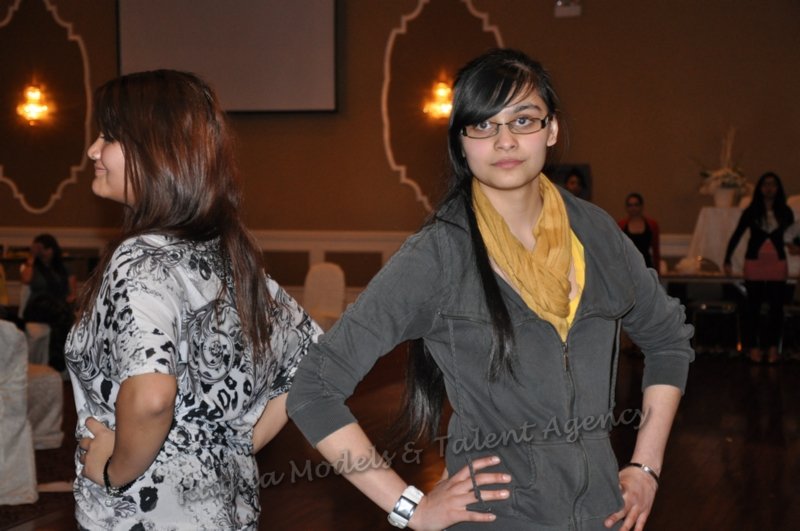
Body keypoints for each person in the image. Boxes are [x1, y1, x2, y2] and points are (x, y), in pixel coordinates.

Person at [287, 49, 694, 530]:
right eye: (483, 124)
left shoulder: (597, 233)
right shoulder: (439, 253)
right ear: (461, 142)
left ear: (551, 129)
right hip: (498, 518)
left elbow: (668, 340)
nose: (505, 141)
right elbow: (313, 389)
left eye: (523, 120)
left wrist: (646, 466)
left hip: (601, 516)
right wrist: (411, 508)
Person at [66, 70, 320, 529]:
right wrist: (232, 446)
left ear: (156, 150)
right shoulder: (226, 253)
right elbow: (309, 359)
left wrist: (114, 470)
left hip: (142, 516)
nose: (93, 150)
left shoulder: (140, 259)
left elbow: (152, 397)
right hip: (224, 512)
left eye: (109, 136)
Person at [724, 172, 794, 364]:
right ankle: (753, 348)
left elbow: (792, 235)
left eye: (773, 184)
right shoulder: (751, 211)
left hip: (777, 263)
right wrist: (727, 259)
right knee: (752, 307)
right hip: (755, 263)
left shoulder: (785, 211)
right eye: (765, 184)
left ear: (778, 188)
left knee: (776, 308)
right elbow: (737, 234)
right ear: (760, 188)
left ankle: (772, 348)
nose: (769, 188)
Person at [20, 233, 77, 371]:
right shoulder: (32, 267)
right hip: (38, 306)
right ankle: (58, 361)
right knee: (64, 315)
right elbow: (26, 279)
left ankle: (57, 359)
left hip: (58, 307)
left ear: (53, 249)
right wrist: (32, 256)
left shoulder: (64, 268)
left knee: (62, 317)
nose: (43, 252)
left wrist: (71, 299)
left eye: (46, 249)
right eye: (40, 249)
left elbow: (73, 293)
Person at [617, 193, 661, 271]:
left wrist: (657, 272)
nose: (633, 208)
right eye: (630, 205)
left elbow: (656, 251)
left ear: (641, 206)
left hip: (646, 266)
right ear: (626, 208)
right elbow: (618, 251)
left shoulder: (652, 225)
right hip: (628, 267)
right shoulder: (621, 226)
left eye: (636, 205)